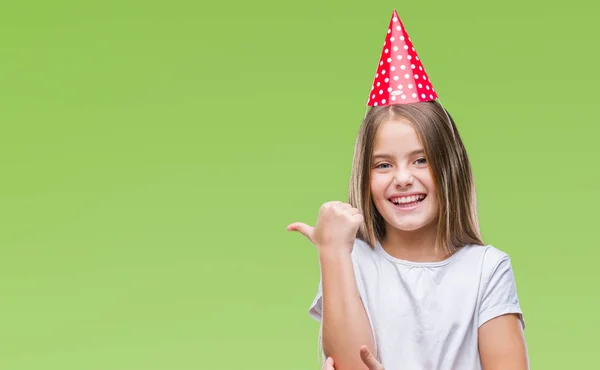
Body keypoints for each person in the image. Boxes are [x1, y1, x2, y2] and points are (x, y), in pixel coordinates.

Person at [287, 9, 529, 370]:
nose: (402, 178)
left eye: (421, 160)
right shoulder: (353, 263)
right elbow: (352, 365)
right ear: (365, 179)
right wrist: (332, 252)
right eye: (383, 165)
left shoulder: (486, 270)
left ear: (451, 167)